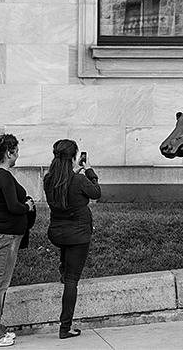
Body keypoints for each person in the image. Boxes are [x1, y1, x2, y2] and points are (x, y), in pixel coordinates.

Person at [0, 133, 35, 347]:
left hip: (4, 235)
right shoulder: (3, 176)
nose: (18, 155)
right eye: (16, 151)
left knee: (1, 284)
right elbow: (13, 207)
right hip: (6, 236)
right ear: (9, 152)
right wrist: (28, 206)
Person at [43, 139, 101, 340]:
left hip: (58, 233)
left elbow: (63, 184)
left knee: (67, 258)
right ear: (74, 157)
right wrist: (90, 171)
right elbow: (96, 193)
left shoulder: (49, 179)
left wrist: (74, 172)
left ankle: (63, 266)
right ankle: (65, 327)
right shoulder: (79, 180)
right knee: (71, 281)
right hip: (77, 234)